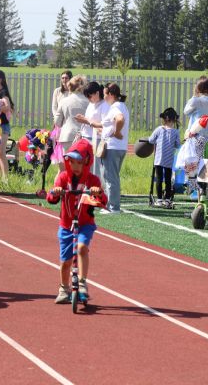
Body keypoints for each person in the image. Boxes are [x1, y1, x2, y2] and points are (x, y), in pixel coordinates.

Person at [46, 139, 107, 304]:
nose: (75, 166)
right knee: (65, 262)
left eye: (79, 162)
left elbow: (102, 200)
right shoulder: (63, 177)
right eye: (72, 162)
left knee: (81, 248)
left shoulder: (92, 180)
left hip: (85, 224)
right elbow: (51, 197)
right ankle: (63, 288)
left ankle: (82, 282)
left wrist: (98, 193)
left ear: (87, 162)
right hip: (66, 225)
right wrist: (56, 192)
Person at [100, 83, 130, 214]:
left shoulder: (115, 107)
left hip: (112, 147)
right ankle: (112, 205)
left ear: (111, 95)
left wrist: (117, 132)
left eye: (105, 94)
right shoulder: (122, 106)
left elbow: (120, 119)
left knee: (110, 178)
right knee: (113, 177)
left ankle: (113, 207)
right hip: (120, 147)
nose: (104, 97)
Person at [75, 81, 110, 177]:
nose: (89, 99)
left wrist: (86, 121)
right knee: (85, 165)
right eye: (87, 97)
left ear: (97, 93)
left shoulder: (105, 105)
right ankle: (87, 185)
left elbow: (103, 125)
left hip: (97, 140)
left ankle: (96, 187)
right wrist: (83, 119)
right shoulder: (91, 104)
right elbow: (88, 118)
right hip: (86, 137)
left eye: (90, 96)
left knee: (96, 167)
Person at [147, 107, 181, 207]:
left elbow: (151, 140)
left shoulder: (159, 129)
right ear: (174, 119)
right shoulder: (175, 132)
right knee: (167, 180)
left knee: (159, 179)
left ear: (164, 119)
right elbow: (178, 145)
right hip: (169, 160)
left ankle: (159, 199)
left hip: (158, 159)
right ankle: (167, 200)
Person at [55, 75, 89, 171]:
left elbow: (57, 122)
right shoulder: (88, 102)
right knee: (82, 169)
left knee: (65, 169)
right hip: (84, 138)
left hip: (66, 137)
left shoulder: (64, 101)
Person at [0, 70, 15, 179]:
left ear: (1, 80)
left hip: (3, 126)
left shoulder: (3, 92)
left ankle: (6, 179)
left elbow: (8, 107)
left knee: (1, 152)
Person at [50, 70, 73, 165]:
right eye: (62, 78)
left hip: (68, 121)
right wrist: (57, 118)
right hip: (59, 121)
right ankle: (60, 161)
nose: (64, 80)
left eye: (66, 78)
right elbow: (54, 107)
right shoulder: (57, 91)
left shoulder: (73, 92)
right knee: (58, 143)